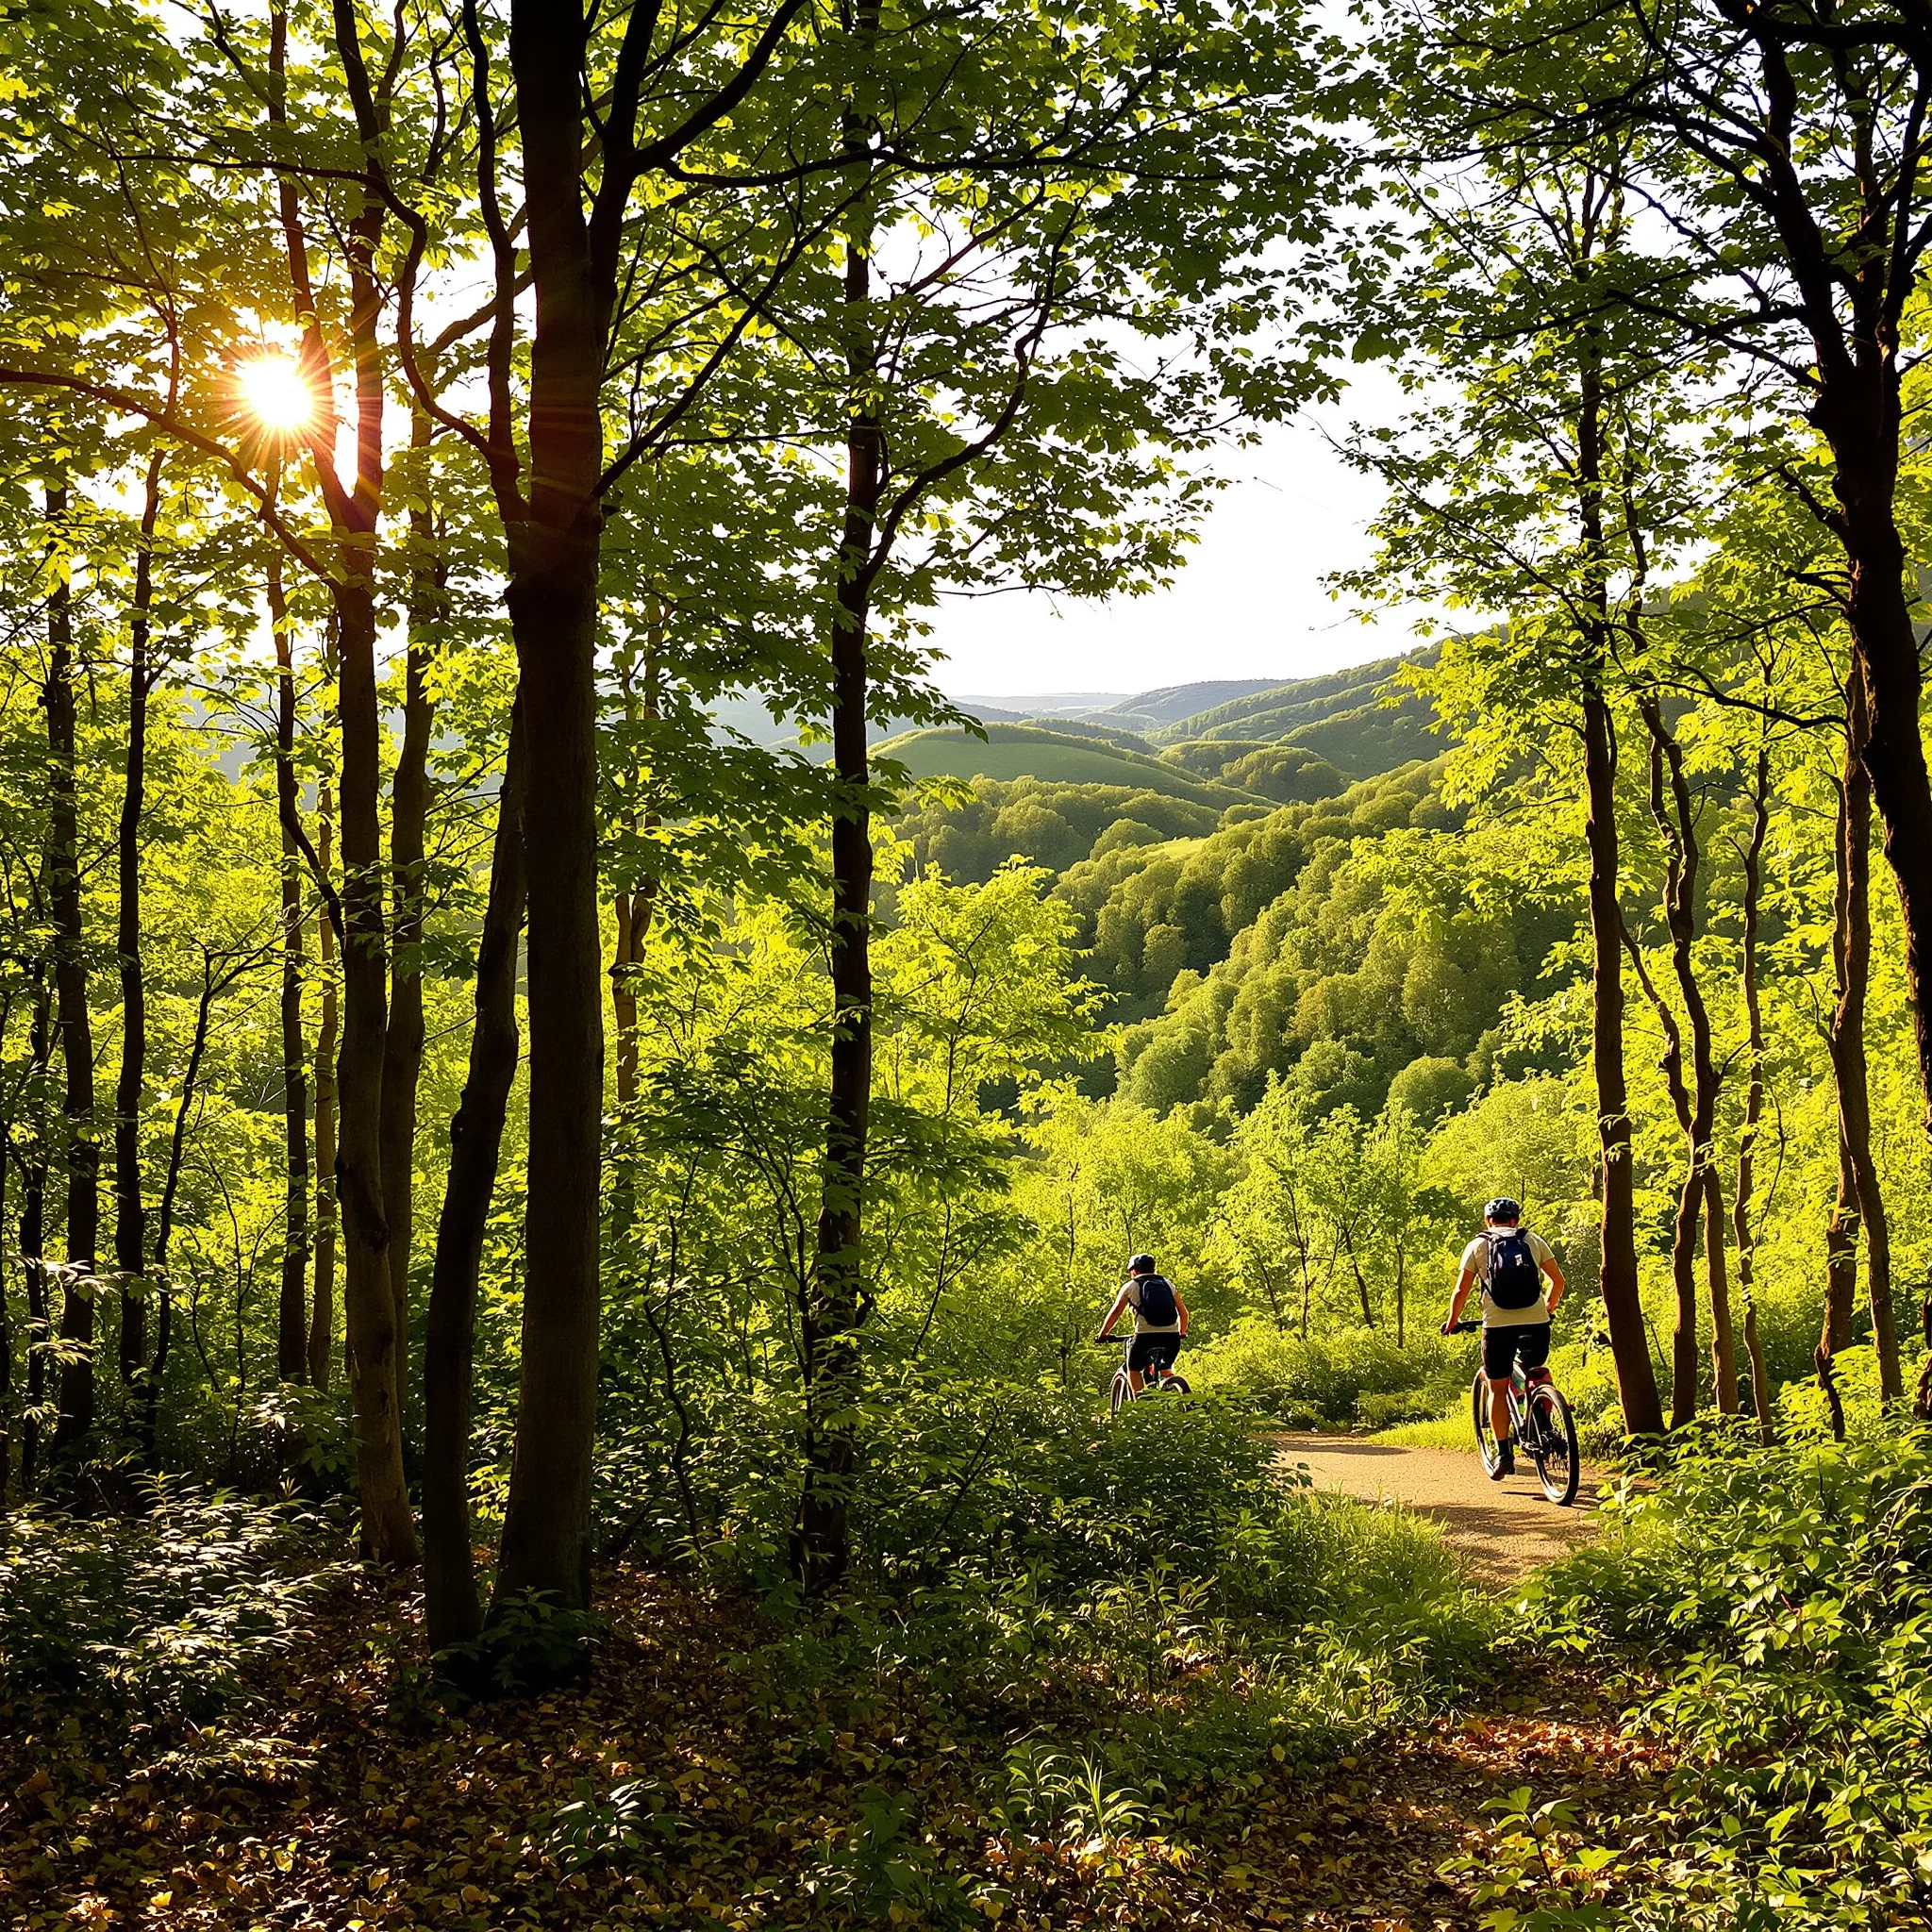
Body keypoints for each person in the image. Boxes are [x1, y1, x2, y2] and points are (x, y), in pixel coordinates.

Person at [1440, 1197, 1564, 1480]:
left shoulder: (1477, 1245)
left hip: (1497, 1326)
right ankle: (1546, 1422)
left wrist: (1453, 1321)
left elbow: (1461, 1291)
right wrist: (1547, 1308)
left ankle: (1504, 1453)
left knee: (1498, 1387)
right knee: (1536, 1371)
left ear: (1488, 1221)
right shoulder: (1532, 1240)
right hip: (1537, 1323)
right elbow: (1558, 1281)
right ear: (1515, 1219)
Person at [1095, 1253, 1189, 1395]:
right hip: (1172, 1338)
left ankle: (1141, 1403)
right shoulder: (1167, 1284)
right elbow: (1184, 1313)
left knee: (1133, 1368)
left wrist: (1102, 1335)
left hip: (1145, 1338)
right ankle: (1174, 1386)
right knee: (1165, 1369)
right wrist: (1181, 1333)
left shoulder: (1130, 1286)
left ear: (1135, 1270)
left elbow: (1115, 1314)